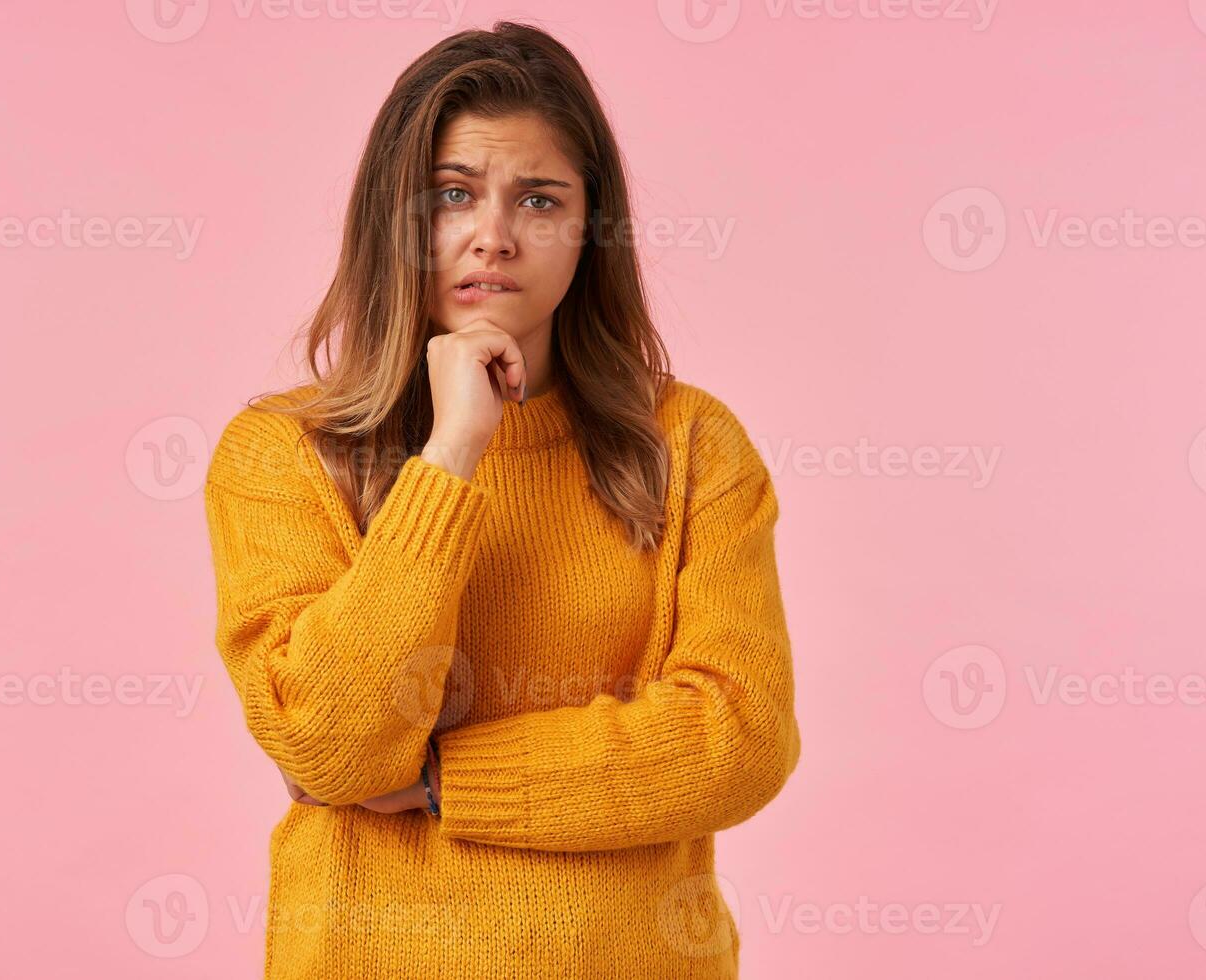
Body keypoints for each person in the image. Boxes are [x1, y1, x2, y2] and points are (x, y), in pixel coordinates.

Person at [203, 20, 800, 978]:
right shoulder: (282, 453)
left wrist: (449, 777)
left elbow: (739, 737)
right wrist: (452, 452)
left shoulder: (690, 446)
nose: (494, 234)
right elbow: (333, 746)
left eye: (539, 198)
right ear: (395, 218)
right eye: (451, 195)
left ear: (590, 227)